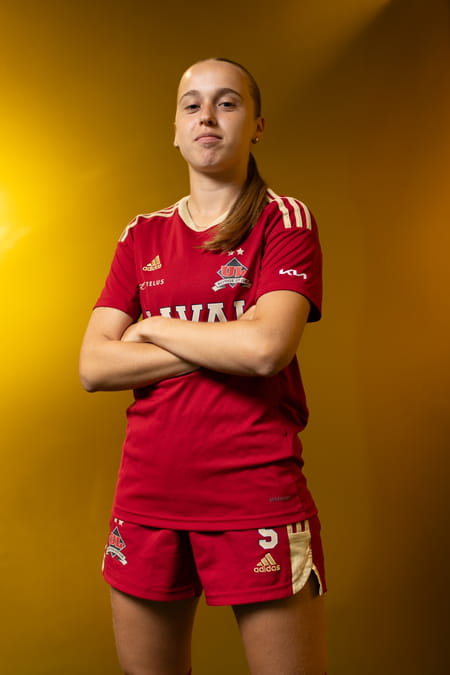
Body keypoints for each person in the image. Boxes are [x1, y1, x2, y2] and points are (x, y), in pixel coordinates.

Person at [79, 57, 327, 675]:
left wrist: (153, 327)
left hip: (254, 495)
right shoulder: (141, 235)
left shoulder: (284, 220)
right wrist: (226, 341)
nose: (207, 117)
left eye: (227, 102)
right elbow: (94, 366)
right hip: (147, 496)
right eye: (192, 105)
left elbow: (267, 350)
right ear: (176, 129)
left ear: (257, 125)